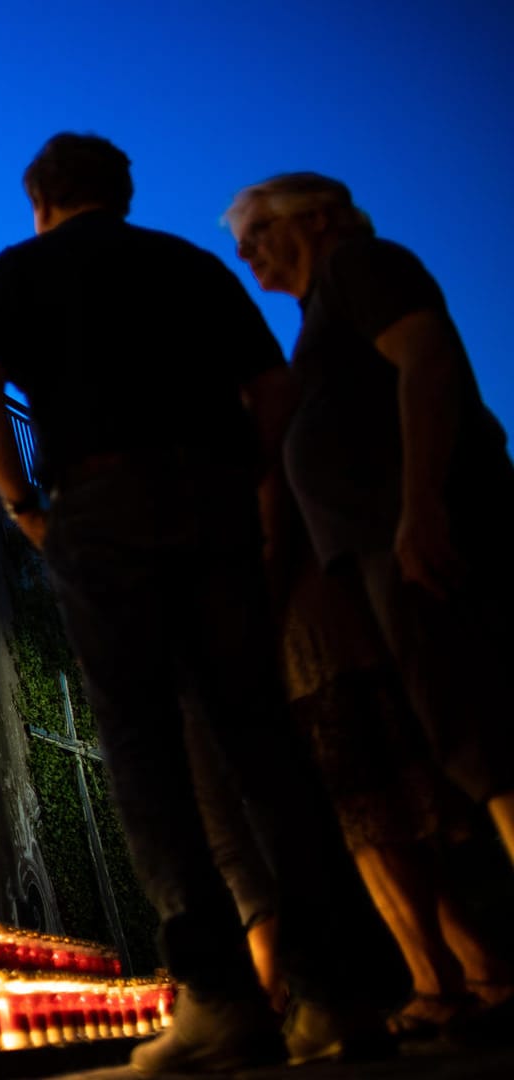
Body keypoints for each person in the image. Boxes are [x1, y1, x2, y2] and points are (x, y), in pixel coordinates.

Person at [0, 133, 386, 1073]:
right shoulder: (188, 265)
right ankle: (337, 991)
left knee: (146, 749)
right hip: (213, 503)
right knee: (260, 737)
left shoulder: (18, 271)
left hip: (100, 505)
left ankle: (224, 999)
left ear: (41, 201)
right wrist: (249, 473)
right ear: (122, 191)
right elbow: (271, 387)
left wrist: (24, 504)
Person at [225, 172, 514, 1031]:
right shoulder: (322, 313)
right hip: (383, 551)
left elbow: (426, 360)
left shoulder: (360, 267)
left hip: (423, 537)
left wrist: (420, 505)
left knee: (489, 739)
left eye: (257, 235)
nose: (246, 256)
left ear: (315, 217)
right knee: (469, 745)